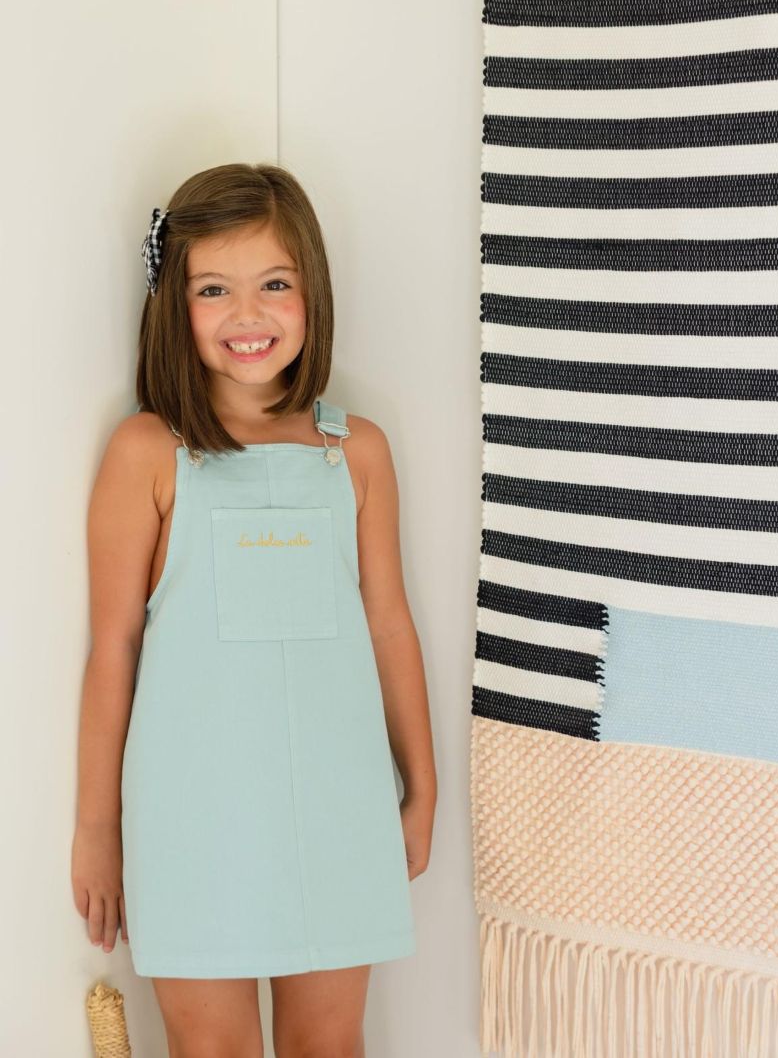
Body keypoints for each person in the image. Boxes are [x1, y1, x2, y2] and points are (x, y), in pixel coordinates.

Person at [70, 162, 437, 1057]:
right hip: (193, 815)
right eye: (213, 289)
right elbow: (114, 648)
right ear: (174, 303)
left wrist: (422, 788)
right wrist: (97, 828)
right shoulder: (148, 452)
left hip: (337, 803)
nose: (248, 315)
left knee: (330, 1043)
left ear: (313, 290)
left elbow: (390, 625)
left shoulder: (357, 453)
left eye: (275, 284)